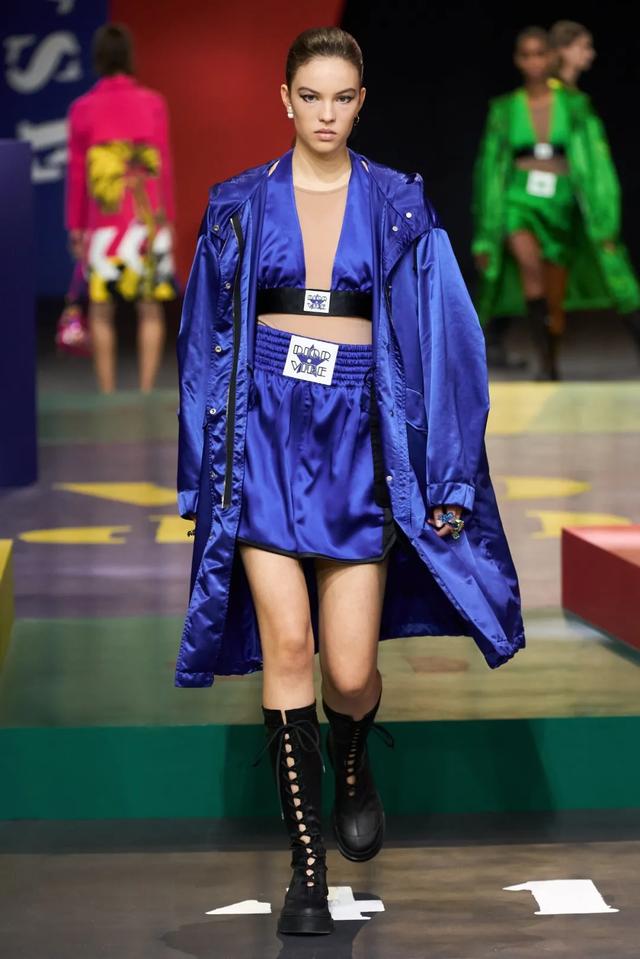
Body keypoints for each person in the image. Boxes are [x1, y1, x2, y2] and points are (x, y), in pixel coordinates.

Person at [176, 27, 524, 937]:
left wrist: (447, 472)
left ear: (360, 102)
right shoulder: (237, 206)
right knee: (287, 645)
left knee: (352, 668)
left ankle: (355, 757)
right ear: (283, 99)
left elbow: (449, 342)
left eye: (341, 97)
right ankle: (307, 870)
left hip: (360, 445)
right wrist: (200, 478)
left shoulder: (400, 204)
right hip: (263, 438)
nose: (325, 114)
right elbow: (203, 349)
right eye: (310, 96)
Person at [472, 26, 640, 380]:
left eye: (540, 54)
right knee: (529, 268)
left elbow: (596, 165)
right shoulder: (505, 109)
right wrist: (486, 233)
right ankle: (544, 363)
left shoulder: (574, 106)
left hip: (560, 200)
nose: (534, 62)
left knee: (554, 282)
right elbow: (489, 168)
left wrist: (605, 218)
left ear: (552, 57)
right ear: (518, 60)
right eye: (526, 55)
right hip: (518, 197)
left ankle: (550, 360)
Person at [65, 23, 177, 394]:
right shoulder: (152, 103)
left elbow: (78, 176)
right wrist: (168, 220)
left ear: (97, 58)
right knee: (150, 309)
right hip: (147, 219)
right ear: (129, 56)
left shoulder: (82, 109)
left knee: (101, 311)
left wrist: (75, 227)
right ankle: (145, 393)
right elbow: (162, 167)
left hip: (104, 222)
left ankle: (108, 393)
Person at [550, 19, 640, 356]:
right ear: (563, 50)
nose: (590, 54)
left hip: (581, 199)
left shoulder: (574, 98)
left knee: (609, 266)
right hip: (560, 199)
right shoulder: (554, 98)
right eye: (583, 47)